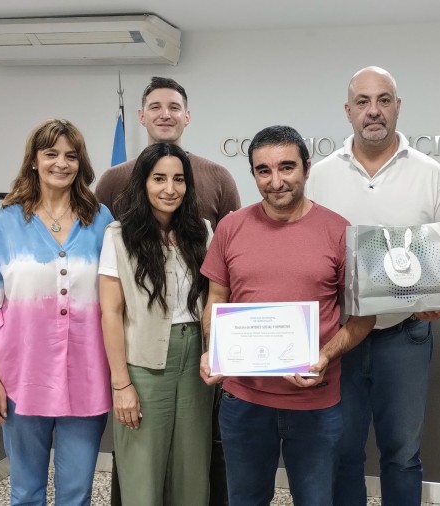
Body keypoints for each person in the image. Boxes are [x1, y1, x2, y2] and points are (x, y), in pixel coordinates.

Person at [199, 125, 376, 506]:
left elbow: (364, 318)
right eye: (264, 170)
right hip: (243, 400)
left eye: (286, 168)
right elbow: (216, 297)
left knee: (316, 500)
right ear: (254, 174)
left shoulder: (338, 231)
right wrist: (213, 349)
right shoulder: (230, 228)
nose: (276, 181)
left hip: (315, 403)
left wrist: (326, 356)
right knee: (245, 499)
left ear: (306, 169)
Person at [306, 66, 440, 505]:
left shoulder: (432, 176)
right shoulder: (320, 176)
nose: (374, 111)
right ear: (348, 111)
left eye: (384, 100)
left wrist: (438, 298)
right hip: (341, 338)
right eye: (364, 102)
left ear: (397, 107)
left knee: (403, 454)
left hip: (405, 337)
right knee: (343, 452)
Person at [0, 118, 114, 505]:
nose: (61, 163)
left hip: (86, 375)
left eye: (71, 155)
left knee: (75, 492)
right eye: (51, 154)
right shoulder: (5, 220)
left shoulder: (101, 219)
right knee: (25, 491)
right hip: (22, 378)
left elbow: (116, 300)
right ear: (34, 160)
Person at [99, 143, 215, 506]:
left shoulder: (203, 232)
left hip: (196, 360)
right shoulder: (118, 236)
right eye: (159, 178)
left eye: (179, 179)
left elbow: (216, 298)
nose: (170, 189)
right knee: (142, 471)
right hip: (143, 365)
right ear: (143, 183)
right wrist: (121, 385)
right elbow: (111, 313)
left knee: (192, 471)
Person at [96, 76, 241, 230]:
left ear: (187, 117)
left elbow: (235, 243)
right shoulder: (112, 180)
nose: (165, 114)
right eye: (155, 107)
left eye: (174, 107)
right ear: (141, 116)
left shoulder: (219, 177)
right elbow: (96, 243)